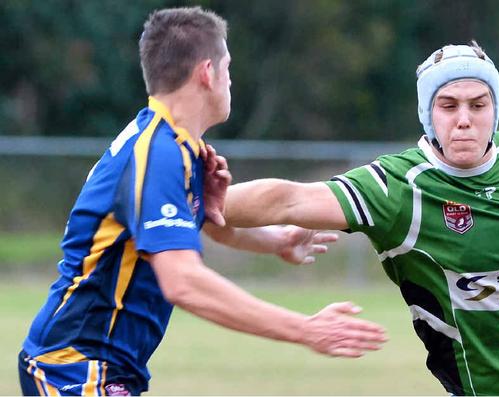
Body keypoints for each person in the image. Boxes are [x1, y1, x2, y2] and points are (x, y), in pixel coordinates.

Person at [220, 41, 499, 395]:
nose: (464, 120)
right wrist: (192, 200)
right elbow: (288, 201)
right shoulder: (396, 188)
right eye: (448, 105)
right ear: (428, 114)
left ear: (494, 110)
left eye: (478, 105)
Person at [18, 7, 386, 396]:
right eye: (229, 68)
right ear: (207, 73)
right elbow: (183, 282)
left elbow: (210, 226)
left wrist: (277, 241)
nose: (231, 81)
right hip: (74, 369)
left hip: (101, 371)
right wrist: (305, 329)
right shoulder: (156, 155)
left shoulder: (178, 148)